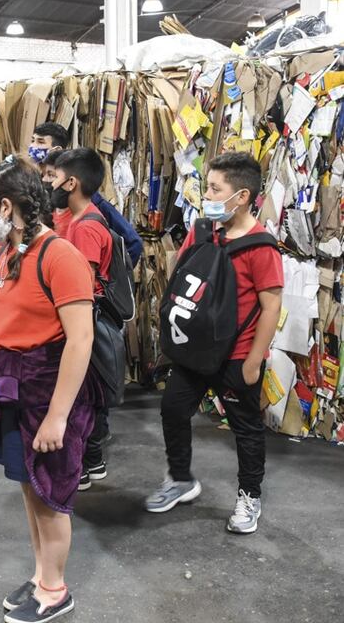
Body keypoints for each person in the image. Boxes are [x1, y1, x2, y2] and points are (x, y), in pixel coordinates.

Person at [0, 159, 99, 623]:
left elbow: (80, 340)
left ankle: (56, 590)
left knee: (49, 495)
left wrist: (58, 416)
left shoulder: (61, 257)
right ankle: (42, 573)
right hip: (7, 391)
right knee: (29, 489)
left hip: (44, 394)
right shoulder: (1, 255)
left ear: (6, 205)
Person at [145, 152, 284, 534]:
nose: (206, 194)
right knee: (173, 409)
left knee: (246, 428)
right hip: (194, 349)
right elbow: (184, 274)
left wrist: (254, 361)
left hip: (237, 355)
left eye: (213, 188)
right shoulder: (203, 229)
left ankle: (249, 496)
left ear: (241, 196)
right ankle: (180, 479)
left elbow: (271, 308)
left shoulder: (261, 246)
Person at [51, 148, 114, 492]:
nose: (50, 183)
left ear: (71, 182)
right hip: (83, 318)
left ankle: (87, 463)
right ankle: (91, 460)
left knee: (81, 395)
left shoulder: (86, 227)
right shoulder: (74, 220)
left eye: (54, 178)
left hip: (84, 320)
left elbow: (83, 283)